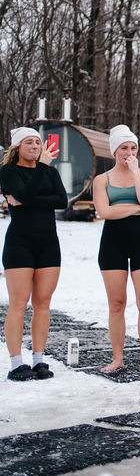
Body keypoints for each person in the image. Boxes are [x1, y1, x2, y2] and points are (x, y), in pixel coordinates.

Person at [92, 125, 140, 372]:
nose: (129, 152)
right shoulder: (102, 180)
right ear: (114, 151)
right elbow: (106, 212)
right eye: (124, 148)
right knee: (117, 303)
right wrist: (139, 209)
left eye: (133, 148)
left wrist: (135, 173)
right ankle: (117, 359)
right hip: (113, 242)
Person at [1, 127, 67, 381]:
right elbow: (25, 195)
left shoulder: (49, 171)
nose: (35, 146)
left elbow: (62, 201)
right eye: (29, 142)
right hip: (20, 243)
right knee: (19, 304)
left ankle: (39, 360)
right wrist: (35, 187)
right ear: (18, 147)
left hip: (49, 243)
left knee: (43, 304)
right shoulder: (8, 171)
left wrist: (26, 199)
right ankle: (17, 363)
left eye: (38, 142)